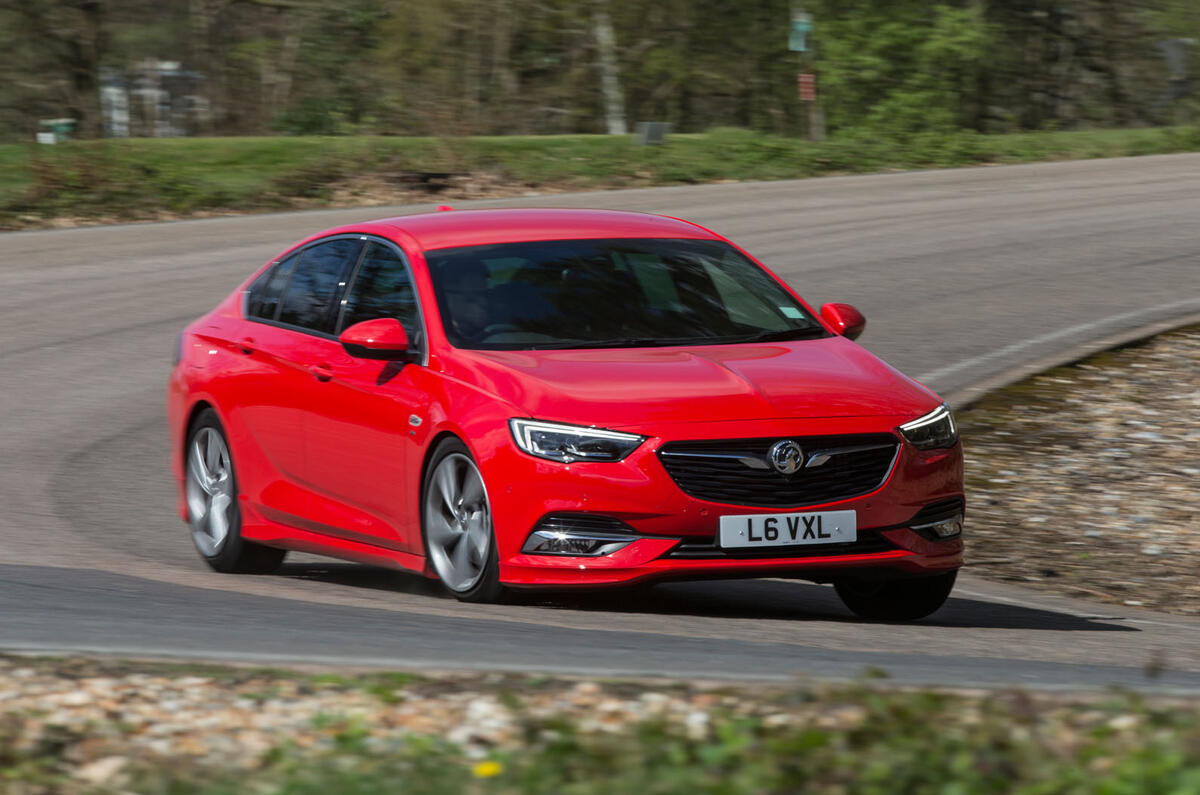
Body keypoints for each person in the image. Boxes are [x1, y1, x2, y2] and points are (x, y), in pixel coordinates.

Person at [441, 261, 489, 342]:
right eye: (470, 299)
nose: (484, 303)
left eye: (484, 294)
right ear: (448, 297)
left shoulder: (500, 324)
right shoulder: (428, 325)